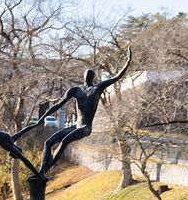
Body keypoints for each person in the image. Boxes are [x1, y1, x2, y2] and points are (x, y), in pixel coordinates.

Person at [15, 47, 133, 177]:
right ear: (84, 76)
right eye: (86, 74)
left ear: (92, 77)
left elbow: (117, 77)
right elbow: (58, 105)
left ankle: (43, 171)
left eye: (90, 74)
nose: (87, 75)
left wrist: (128, 62)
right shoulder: (75, 90)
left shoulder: (97, 88)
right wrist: (42, 118)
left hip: (85, 128)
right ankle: (41, 170)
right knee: (48, 143)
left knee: (65, 140)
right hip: (75, 126)